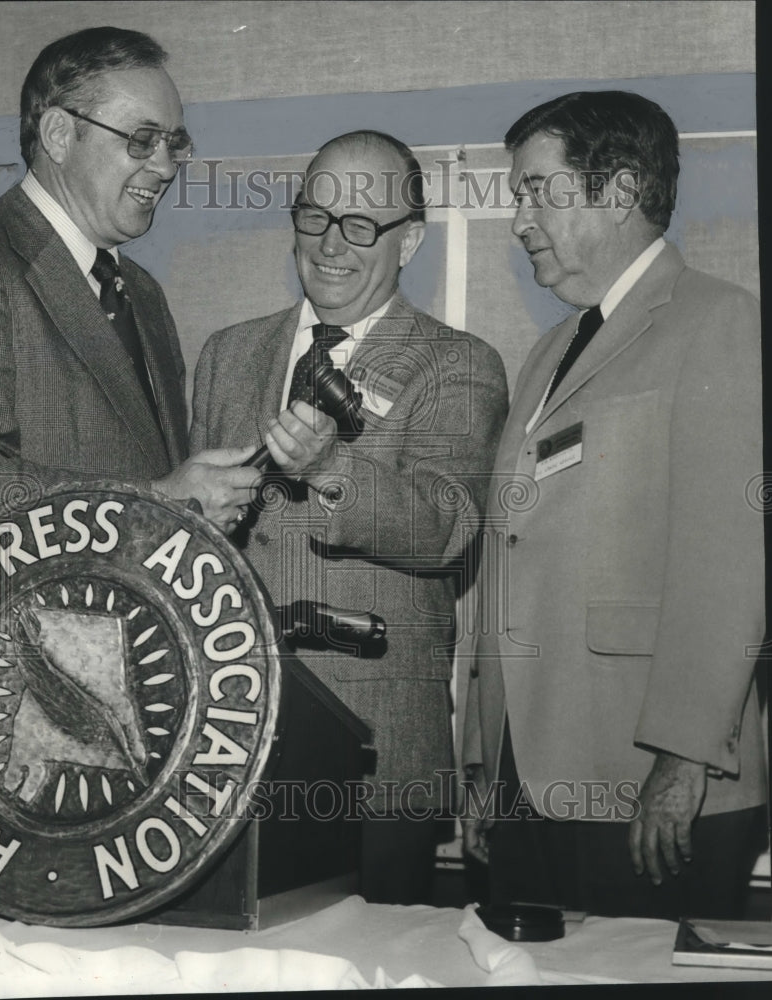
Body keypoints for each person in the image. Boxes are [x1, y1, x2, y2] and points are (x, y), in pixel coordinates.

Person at [462, 91, 766, 919]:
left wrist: (683, 758)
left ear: (622, 189)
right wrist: (486, 763)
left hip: (647, 787)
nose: (519, 219)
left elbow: (729, 566)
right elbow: (510, 559)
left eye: (537, 190)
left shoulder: (720, 321)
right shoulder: (548, 352)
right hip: (528, 781)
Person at [190, 129, 509, 904]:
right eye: (316, 216)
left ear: (410, 241)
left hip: (379, 762)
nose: (332, 245)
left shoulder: (458, 365)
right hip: (229, 747)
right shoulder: (227, 355)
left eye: (362, 225)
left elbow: (448, 526)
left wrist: (331, 469)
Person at [0, 25, 260, 579]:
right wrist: (157, 501)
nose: (165, 167)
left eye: (174, 143)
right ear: (59, 135)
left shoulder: (143, 294)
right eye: (142, 139)